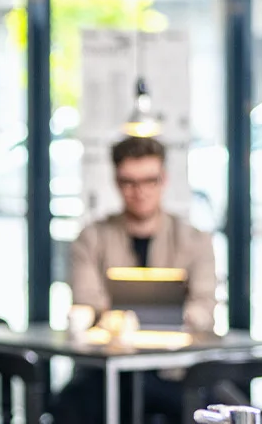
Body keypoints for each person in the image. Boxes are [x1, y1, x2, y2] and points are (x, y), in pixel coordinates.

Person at [49, 136, 216, 424]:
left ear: (163, 179)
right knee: (68, 407)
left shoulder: (194, 240)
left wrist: (128, 314)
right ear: (116, 181)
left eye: (149, 180)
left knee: (221, 406)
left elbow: (205, 308)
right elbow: (87, 300)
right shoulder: (91, 237)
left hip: (175, 373)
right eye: (128, 182)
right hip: (106, 372)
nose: (139, 192)